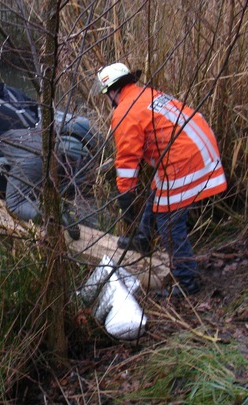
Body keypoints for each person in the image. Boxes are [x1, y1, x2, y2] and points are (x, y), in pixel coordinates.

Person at [95, 62, 227, 297]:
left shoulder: (125, 111)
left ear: (112, 91)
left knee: (169, 223)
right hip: (196, 148)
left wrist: (125, 196)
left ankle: (188, 283)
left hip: (185, 159)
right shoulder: (146, 94)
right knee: (157, 192)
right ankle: (143, 239)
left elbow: (127, 162)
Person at [0, 71, 80, 239]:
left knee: (15, 204)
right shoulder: (13, 92)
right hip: (53, 153)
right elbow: (37, 112)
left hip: (29, 161)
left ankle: (58, 214)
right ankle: (62, 207)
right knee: (35, 189)